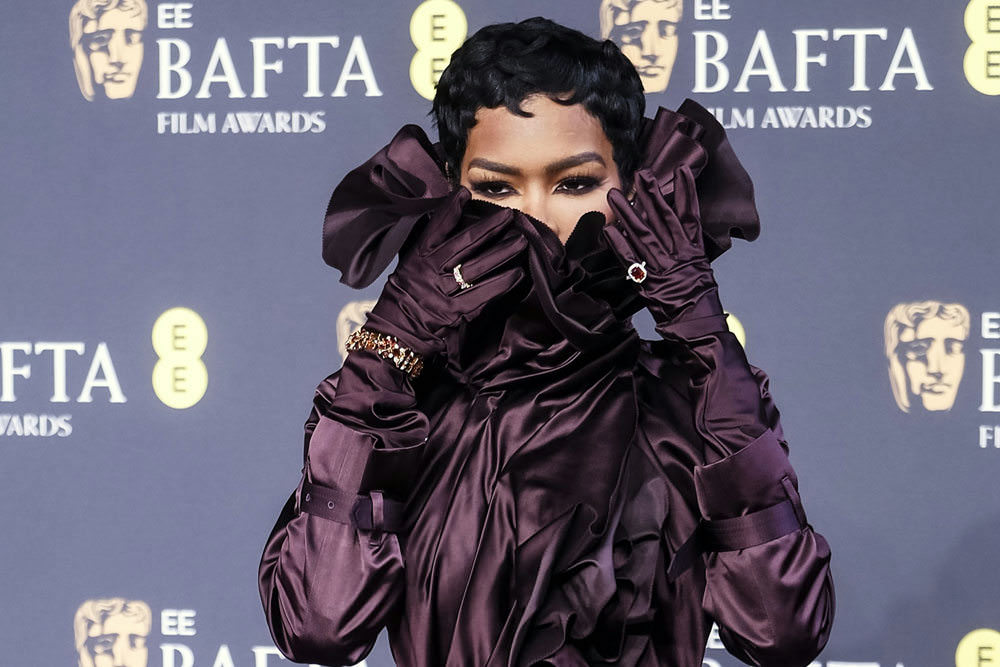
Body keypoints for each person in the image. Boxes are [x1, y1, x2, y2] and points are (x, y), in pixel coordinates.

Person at [258, 16, 835, 667]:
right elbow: (320, 625)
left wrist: (702, 330)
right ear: (451, 190)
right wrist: (393, 337)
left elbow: (782, 631)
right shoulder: (400, 421)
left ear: (631, 186)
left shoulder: (693, 409)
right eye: (497, 187)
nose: (533, 216)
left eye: (575, 183)